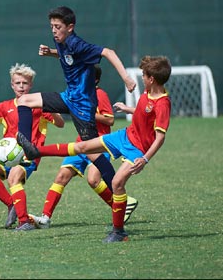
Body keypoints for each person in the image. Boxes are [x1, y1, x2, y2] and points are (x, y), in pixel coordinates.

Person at [18, 55, 171, 242]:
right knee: (83, 146)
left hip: (137, 149)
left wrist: (145, 159)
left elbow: (160, 137)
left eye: (144, 75)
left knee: (116, 184)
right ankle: (35, 151)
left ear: (152, 79)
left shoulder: (163, 103)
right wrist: (128, 109)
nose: (142, 78)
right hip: (123, 136)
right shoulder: (147, 94)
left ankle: (118, 231)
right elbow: (144, 112)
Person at [17, 6, 137, 192]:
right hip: (68, 97)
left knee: (92, 153)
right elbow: (68, 57)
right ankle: (26, 146)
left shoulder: (77, 43)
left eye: (58, 26)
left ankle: (118, 190)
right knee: (24, 101)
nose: (54, 31)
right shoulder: (60, 41)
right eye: (52, 26)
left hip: (83, 104)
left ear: (70, 27)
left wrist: (126, 78)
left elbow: (108, 52)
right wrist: (51, 52)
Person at [30, 64, 138, 229]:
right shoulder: (80, 95)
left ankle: (121, 206)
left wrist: (86, 113)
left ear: (94, 79)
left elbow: (110, 120)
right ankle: (45, 218)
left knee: (93, 180)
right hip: (81, 143)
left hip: (99, 144)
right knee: (61, 177)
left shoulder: (99, 94)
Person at [0, 63, 65, 231]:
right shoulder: (5, 107)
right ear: (12, 84)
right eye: (17, 83)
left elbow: (61, 124)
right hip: (8, 154)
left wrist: (50, 107)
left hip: (29, 154)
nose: (21, 86)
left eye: (24, 83)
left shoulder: (38, 105)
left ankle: (24, 221)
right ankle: (12, 204)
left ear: (31, 85)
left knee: (14, 179)